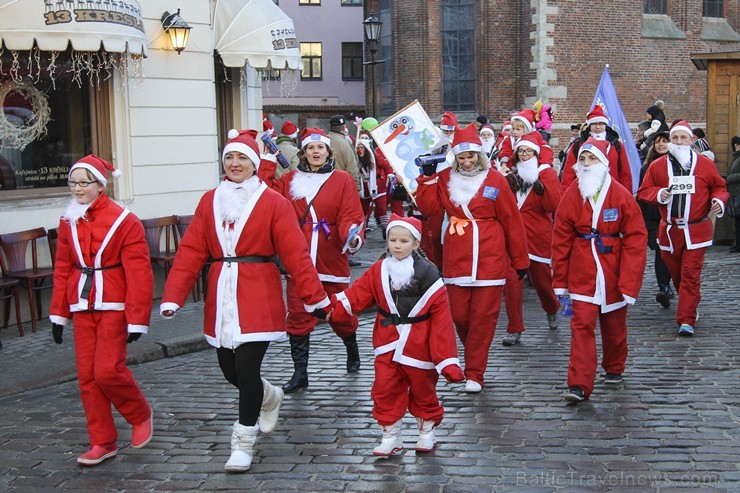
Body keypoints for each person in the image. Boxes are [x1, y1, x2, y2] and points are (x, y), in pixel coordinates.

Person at [159, 129, 331, 472]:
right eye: (229, 158)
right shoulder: (210, 200)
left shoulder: (274, 203)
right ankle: (270, 395)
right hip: (221, 290)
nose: (235, 164)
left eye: (242, 158)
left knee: (246, 368)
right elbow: (192, 249)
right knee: (229, 369)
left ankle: (243, 441)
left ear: (254, 164)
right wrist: (173, 295)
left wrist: (317, 299)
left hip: (259, 291)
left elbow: (296, 255)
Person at [49, 155, 154, 466]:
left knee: (107, 371)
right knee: (87, 377)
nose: (78, 188)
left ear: (99, 185)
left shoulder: (125, 220)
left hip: (114, 305)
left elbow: (139, 272)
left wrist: (137, 319)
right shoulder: (68, 220)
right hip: (82, 304)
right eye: (73, 182)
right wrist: (58, 313)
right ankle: (102, 441)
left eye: (85, 182)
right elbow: (63, 267)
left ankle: (139, 414)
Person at [329, 215, 465, 455]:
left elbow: (442, 320)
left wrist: (446, 359)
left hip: (419, 345)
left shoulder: (429, 274)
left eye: (403, 241)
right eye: (393, 240)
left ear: (415, 244)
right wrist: (336, 308)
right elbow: (359, 293)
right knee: (385, 388)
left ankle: (426, 432)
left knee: (424, 389)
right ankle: (391, 435)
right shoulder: (378, 270)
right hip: (387, 342)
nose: (397, 245)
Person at [415, 123, 529, 393]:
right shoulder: (444, 179)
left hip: (490, 256)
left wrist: (520, 260)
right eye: (461, 157)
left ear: (480, 155)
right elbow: (429, 208)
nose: (467, 162)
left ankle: (475, 372)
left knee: (484, 317)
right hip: (458, 256)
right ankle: (475, 354)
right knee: (460, 317)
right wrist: (427, 178)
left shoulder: (496, 181)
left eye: (471, 156)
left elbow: (512, 221)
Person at [261, 128, 365, 392]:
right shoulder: (290, 181)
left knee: (338, 314)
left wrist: (351, 238)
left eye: (320, 148)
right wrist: (267, 162)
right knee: (297, 315)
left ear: (328, 152)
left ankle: (351, 348)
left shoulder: (341, 179)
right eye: (310, 148)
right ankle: (300, 373)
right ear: (303, 153)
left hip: (331, 258)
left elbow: (350, 215)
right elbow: (261, 193)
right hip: (300, 259)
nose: (315, 152)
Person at [552, 138, 647, 403]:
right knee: (581, 325)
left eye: (591, 159)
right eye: (582, 159)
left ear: (603, 163)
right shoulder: (573, 193)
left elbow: (636, 238)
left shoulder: (620, 195)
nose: (585, 164)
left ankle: (614, 366)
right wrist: (560, 281)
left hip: (613, 270)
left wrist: (629, 281)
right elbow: (560, 239)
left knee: (614, 326)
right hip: (581, 271)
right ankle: (579, 384)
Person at [637, 121, 729, 336]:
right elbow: (644, 191)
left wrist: (718, 201)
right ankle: (691, 302)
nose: (679, 142)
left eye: (683, 138)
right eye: (675, 138)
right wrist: (659, 194)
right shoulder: (657, 166)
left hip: (696, 230)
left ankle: (686, 320)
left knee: (690, 274)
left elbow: (719, 187)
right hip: (669, 231)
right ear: (670, 141)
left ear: (691, 140)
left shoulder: (705, 165)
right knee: (677, 275)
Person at [500, 133, 562, 346]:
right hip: (513, 238)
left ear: (536, 154)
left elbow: (553, 206)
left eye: (529, 151)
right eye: (521, 151)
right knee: (512, 284)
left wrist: (544, 185)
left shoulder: (546, 174)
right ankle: (514, 328)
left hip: (537, 238)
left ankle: (552, 308)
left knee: (543, 283)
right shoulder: (512, 176)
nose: (525, 155)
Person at [560, 105, 633, 193]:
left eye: (601, 124)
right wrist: (567, 195)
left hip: (612, 192)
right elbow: (569, 173)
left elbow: (625, 173)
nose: (598, 127)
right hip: (584, 191)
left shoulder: (617, 145)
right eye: (594, 124)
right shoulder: (578, 145)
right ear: (589, 125)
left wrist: (625, 194)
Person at [638, 130, 675, 307]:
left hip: (674, 214)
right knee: (661, 251)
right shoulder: (647, 167)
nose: (661, 145)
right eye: (658, 142)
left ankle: (672, 283)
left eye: (665, 141)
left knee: (671, 253)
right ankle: (664, 286)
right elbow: (641, 193)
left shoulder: (679, 165)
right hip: (653, 217)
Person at [357, 134, 392, 237]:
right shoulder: (355, 159)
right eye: (358, 148)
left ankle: (385, 228)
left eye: (362, 147)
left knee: (382, 208)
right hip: (364, 187)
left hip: (377, 186)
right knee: (363, 210)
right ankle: (362, 228)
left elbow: (386, 166)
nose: (360, 150)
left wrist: (390, 174)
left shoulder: (374, 157)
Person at [328, 115, 362, 192]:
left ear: (330, 126)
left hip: (324, 187)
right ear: (344, 127)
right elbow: (352, 167)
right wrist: (356, 187)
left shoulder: (322, 142)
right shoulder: (345, 144)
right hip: (341, 186)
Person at [727, 135, 740, 253]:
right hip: (735, 192)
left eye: (738, 144)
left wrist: (729, 178)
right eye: (735, 144)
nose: (736, 146)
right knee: (737, 220)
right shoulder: (736, 158)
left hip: (738, 191)